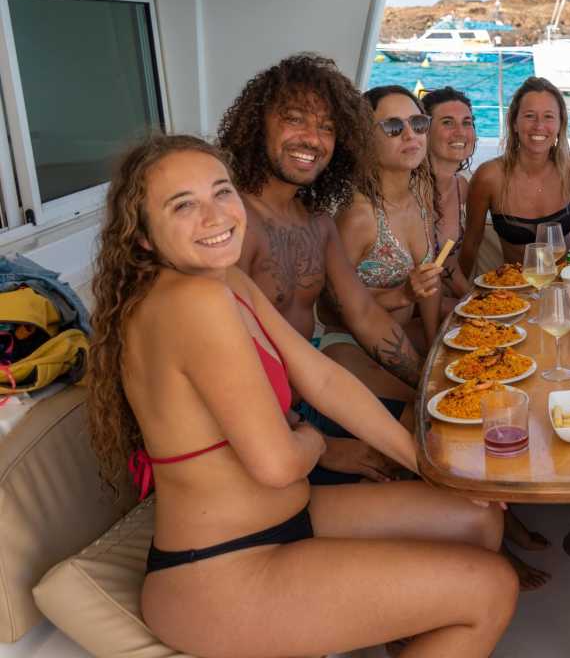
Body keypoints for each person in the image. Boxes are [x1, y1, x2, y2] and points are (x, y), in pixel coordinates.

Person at [88, 135, 516, 657]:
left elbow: (323, 379)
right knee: (491, 589)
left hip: (288, 520)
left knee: (478, 517)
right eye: (183, 205)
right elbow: (278, 464)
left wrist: (429, 466)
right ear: (142, 236)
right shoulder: (191, 301)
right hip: (223, 570)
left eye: (221, 192)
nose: (215, 215)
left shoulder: (224, 281)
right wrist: (312, 437)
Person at [218, 53, 435, 484]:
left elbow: (365, 314)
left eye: (328, 127)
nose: (313, 139)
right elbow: (225, 365)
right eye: (295, 120)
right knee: (457, 498)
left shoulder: (316, 221)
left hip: (308, 405)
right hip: (264, 436)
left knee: (435, 427)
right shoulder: (232, 224)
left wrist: (429, 385)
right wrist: (322, 446)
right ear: (258, 124)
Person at [315, 85, 442, 428]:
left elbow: (429, 282)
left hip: (403, 338)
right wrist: (402, 295)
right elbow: (329, 308)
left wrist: (435, 345)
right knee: (428, 417)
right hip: (349, 347)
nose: (410, 135)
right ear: (364, 140)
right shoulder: (358, 215)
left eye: (418, 123)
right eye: (393, 127)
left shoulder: (421, 194)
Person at [460, 76, 570, 276]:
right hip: (518, 287)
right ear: (514, 123)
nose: (539, 125)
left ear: (561, 124)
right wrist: (461, 291)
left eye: (549, 116)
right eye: (529, 116)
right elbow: (471, 243)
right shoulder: (489, 177)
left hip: (567, 282)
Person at [422, 85, 477, 300]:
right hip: (405, 307)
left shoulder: (461, 187)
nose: (460, 132)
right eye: (447, 123)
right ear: (424, 131)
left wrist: (476, 300)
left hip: (440, 300)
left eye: (467, 123)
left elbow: (446, 261)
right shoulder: (410, 190)